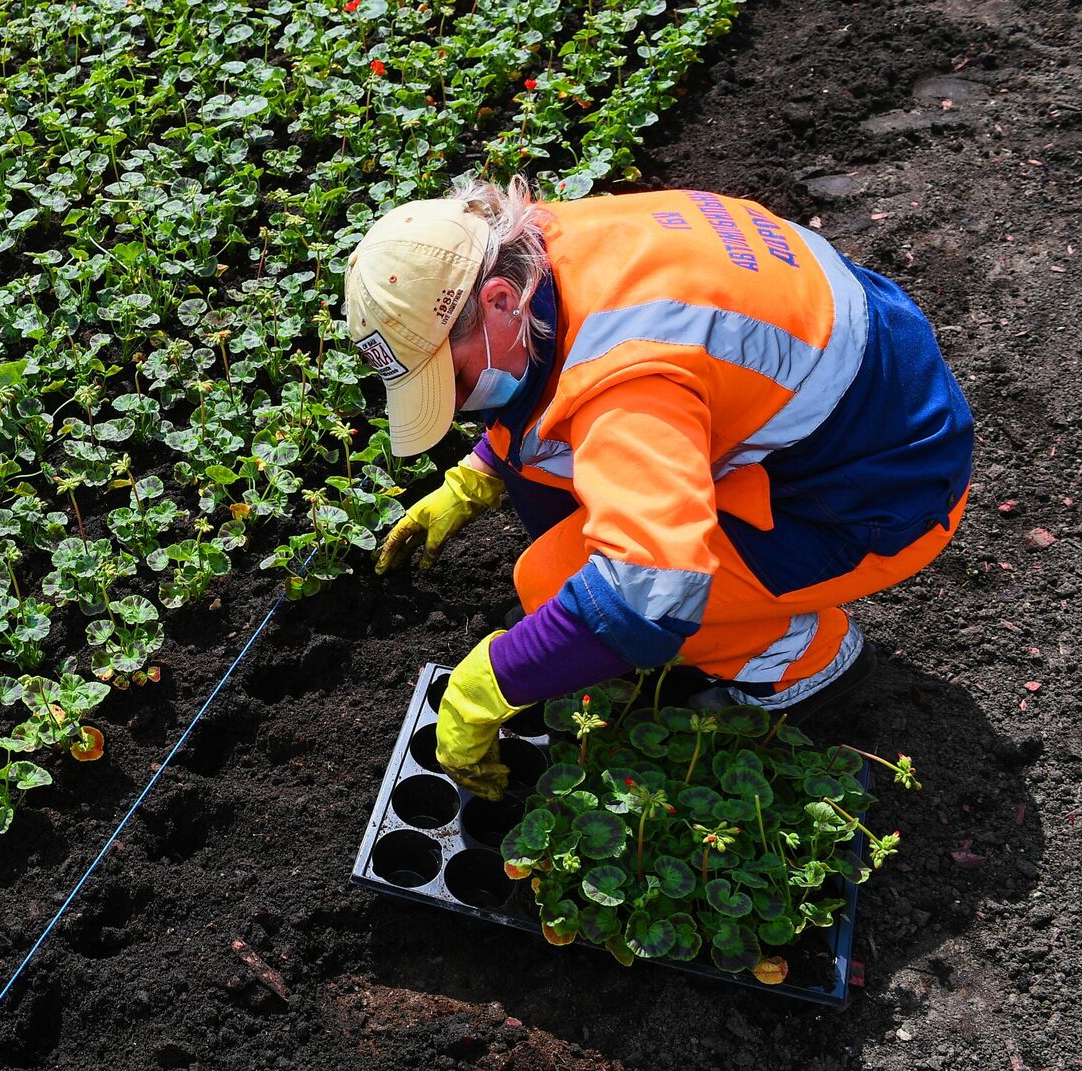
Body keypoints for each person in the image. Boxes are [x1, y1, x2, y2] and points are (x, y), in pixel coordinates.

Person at [346, 177, 972, 799]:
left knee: (552, 582)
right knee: (561, 572)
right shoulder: (545, 240)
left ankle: (798, 659)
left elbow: (650, 588)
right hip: (862, 388)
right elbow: (556, 371)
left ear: (501, 298)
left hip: (877, 498)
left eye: (453, 376)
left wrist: (491, 682)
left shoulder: (629, 374)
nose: (455, 404)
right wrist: (478, 474)